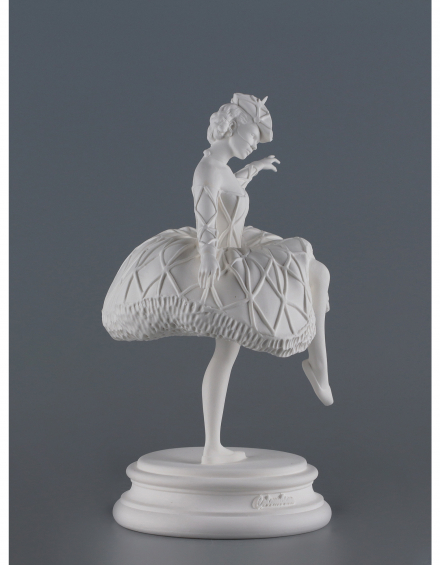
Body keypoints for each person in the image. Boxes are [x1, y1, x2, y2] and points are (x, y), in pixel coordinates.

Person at [102, 93, 333, 466]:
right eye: (252, 136)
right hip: (225, 259)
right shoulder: (207, 170)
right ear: (232, 128)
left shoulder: (219, 168)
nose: (254, 143)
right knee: (312, 273)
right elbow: (206, 218)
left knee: (228, 352)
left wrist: (253, 169)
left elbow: (230, 189)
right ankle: (315, 368)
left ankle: (216, 445)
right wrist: (209, 259)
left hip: (238, 247)